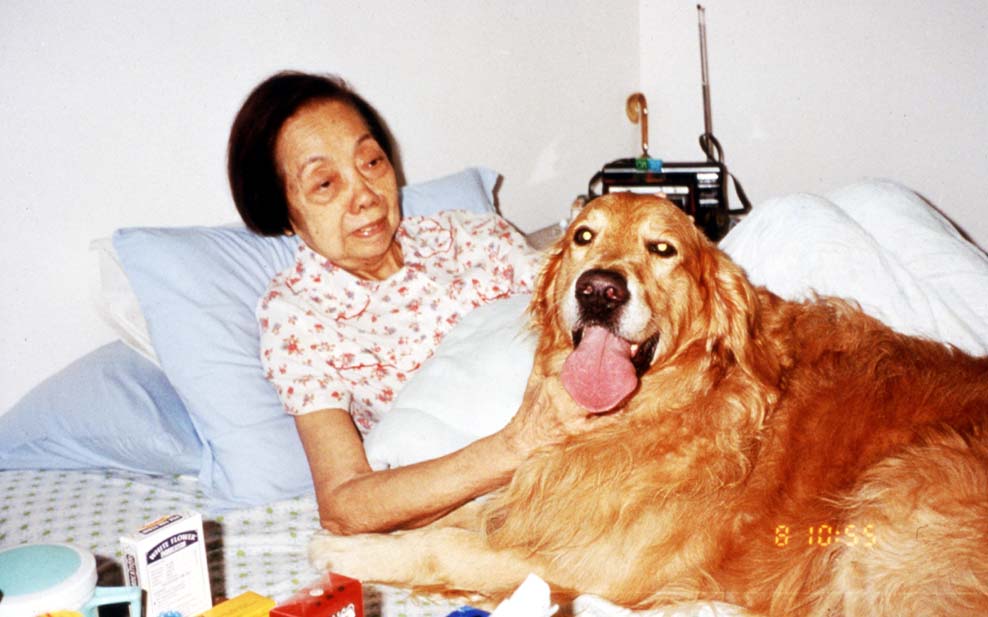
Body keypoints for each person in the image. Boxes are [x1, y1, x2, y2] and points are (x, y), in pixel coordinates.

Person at [227, 71, 604, 535]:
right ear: (281, 212)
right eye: (325, 184)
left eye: (371, 162)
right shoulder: (299, 317)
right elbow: (344, 504)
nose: (365, 196)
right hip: (516, 501)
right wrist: (517, 445)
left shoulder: (471, 236)